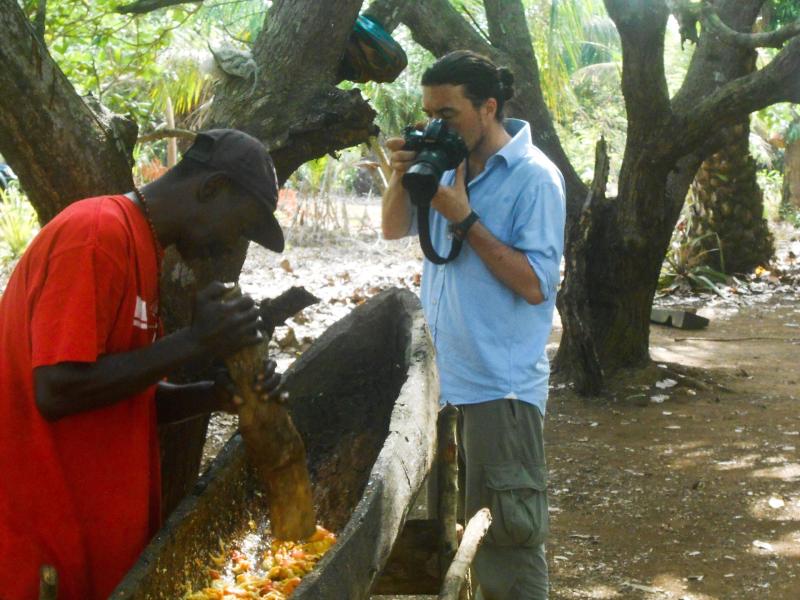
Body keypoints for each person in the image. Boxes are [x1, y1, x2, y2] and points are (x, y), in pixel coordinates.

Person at [0, 129, 286, 599]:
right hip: (47, 547)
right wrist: (195, 341)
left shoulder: (140, 247)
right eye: (239, 226)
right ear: (212, 188)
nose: (230, 244)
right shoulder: (96, 233)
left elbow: (125, 399)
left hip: (93, 543)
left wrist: (216, 395)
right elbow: (56, 390)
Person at [382, 51, 566, 600]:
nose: (437, 124)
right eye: (428, 114)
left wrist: (463, 217)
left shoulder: (536, 179)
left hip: (498, 394)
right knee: (452, 550)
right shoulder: (446, 163)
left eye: (448, 112)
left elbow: (536, 284)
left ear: (488, 107)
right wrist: (404, 175)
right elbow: (393, 229)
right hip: (442, 394)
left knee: (506, 552)